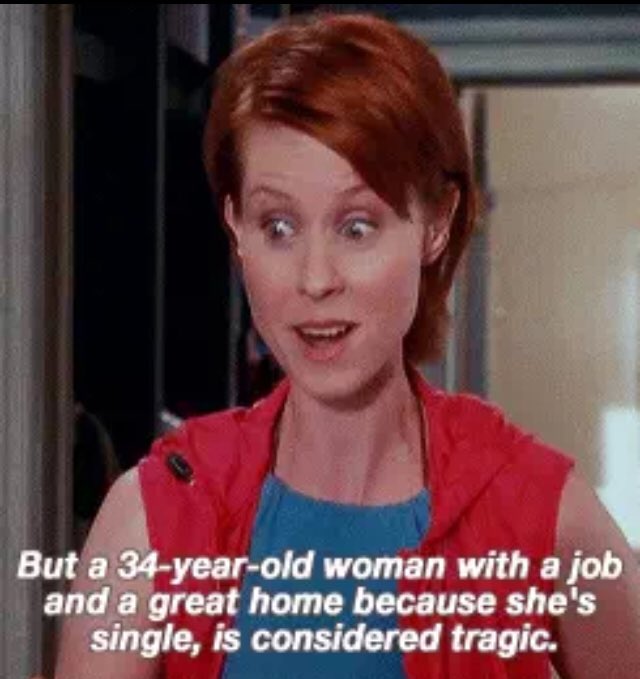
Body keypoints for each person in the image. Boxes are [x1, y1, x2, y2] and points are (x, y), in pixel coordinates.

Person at [51, 11, 640, 679]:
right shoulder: (154, 517)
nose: (315, 279)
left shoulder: (547, 516)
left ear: (435, 223)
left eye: (356, 227)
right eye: (278, 226)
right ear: (235, 227)